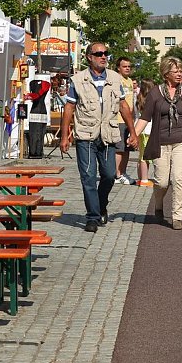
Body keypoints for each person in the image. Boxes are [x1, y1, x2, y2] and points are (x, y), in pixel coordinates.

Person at [60, 43, 138, 233]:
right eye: (99, 53)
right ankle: (93, 217)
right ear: (89, 57)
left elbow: (123, 106)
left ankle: (101, 204)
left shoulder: (114, 78)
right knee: (87, 176)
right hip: (86, 135)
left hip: (108, 134)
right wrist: (64, 136)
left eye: (106, 54)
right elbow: (69, 108)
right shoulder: (78, 80)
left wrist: (133, 132)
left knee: (110, 175)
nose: (103, 57)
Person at [134, 57, 182, 230]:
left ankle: (176, 216)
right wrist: (134, 134)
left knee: (179, 179)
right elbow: (145, 117)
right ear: (166, 74)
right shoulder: (155, 93)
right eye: (175, 71)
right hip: (160, 142)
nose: (179, 74)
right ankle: (158, 203)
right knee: (162, 182)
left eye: (181, 71)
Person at [114, 56, 136, 185]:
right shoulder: (117, 80)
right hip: (119, 119)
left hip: (128, 119)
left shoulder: (129, 81)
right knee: (119, 148)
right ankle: (117, 174)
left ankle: (123, 171)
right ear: (118, 68)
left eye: (129, 66)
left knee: (127, 148)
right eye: (124, 66)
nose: (127, 68)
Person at [135, 79, 156, 187]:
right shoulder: (152, 100)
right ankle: (144, 179)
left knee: (142, 156)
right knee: (147, 156)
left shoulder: (139, 99)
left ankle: (141, 178)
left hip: (140, 130)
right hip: (149, 130)